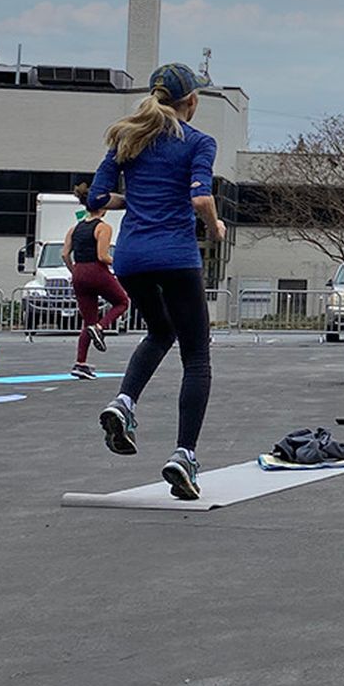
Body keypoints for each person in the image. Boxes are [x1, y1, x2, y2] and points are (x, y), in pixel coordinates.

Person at [89, 63, 226, 500]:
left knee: (159, 331)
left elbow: (96, 198)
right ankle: (184, 454)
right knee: (197, 356)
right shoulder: (198, 142)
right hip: (175, 257)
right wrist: (215, 226)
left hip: (131, 259)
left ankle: (124, 402)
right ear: (192, 102)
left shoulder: (127, 140)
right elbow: (201, 197)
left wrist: (136, 197)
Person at [64, 184, 128, 380]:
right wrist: (118, 261)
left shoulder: (74, 228)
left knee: (87, 320)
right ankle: (100, 327)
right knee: (122, 302)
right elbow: (102, 255)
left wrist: (74, 271)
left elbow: (65, 253)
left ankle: (80, 363)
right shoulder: (103, 227)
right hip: (96, 270)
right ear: (103, 207)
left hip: (79, 272)